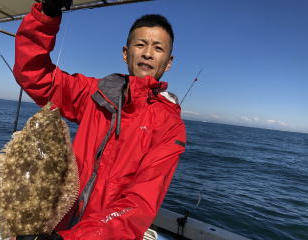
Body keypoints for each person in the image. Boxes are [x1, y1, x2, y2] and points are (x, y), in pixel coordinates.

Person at [13, 0, 186, 239]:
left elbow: (140, 203)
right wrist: (46, 15)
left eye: (158, 48)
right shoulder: (95, 93)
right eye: (140, 44)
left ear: (169, 62)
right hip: (54, 224)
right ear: (126, 53)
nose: (147, 53)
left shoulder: (170, 127)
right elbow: (36, 76)